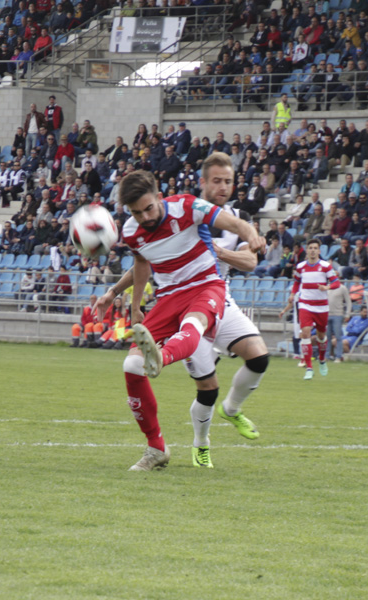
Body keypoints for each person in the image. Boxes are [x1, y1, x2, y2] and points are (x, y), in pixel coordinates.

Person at [97, 153, 269, 469]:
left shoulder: (188, 206)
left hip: (206, 286)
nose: (146, 217)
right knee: (132, 367)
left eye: (149, 208)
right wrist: (133, 305)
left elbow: (234, 223)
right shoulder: (133, 231)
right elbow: (141, 262)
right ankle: (156, 449)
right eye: (137, 212)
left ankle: (163, 358)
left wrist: (252, 236)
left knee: (196, 327)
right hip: (168, 298)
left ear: (159, 196)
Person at [280, 239, 341, 380]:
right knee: (305, 333)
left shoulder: (325, 266)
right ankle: (308, 367)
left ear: (319, 251)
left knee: (321, 336)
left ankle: (322, 360)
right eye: (310, 248)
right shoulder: (301, 267)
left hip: (321, 306)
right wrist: (292, 294)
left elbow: (336, 282)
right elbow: (296, 281)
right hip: (305, 304)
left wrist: (327, 287)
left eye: (315, 248)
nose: (313, 250)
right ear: (306, 251)